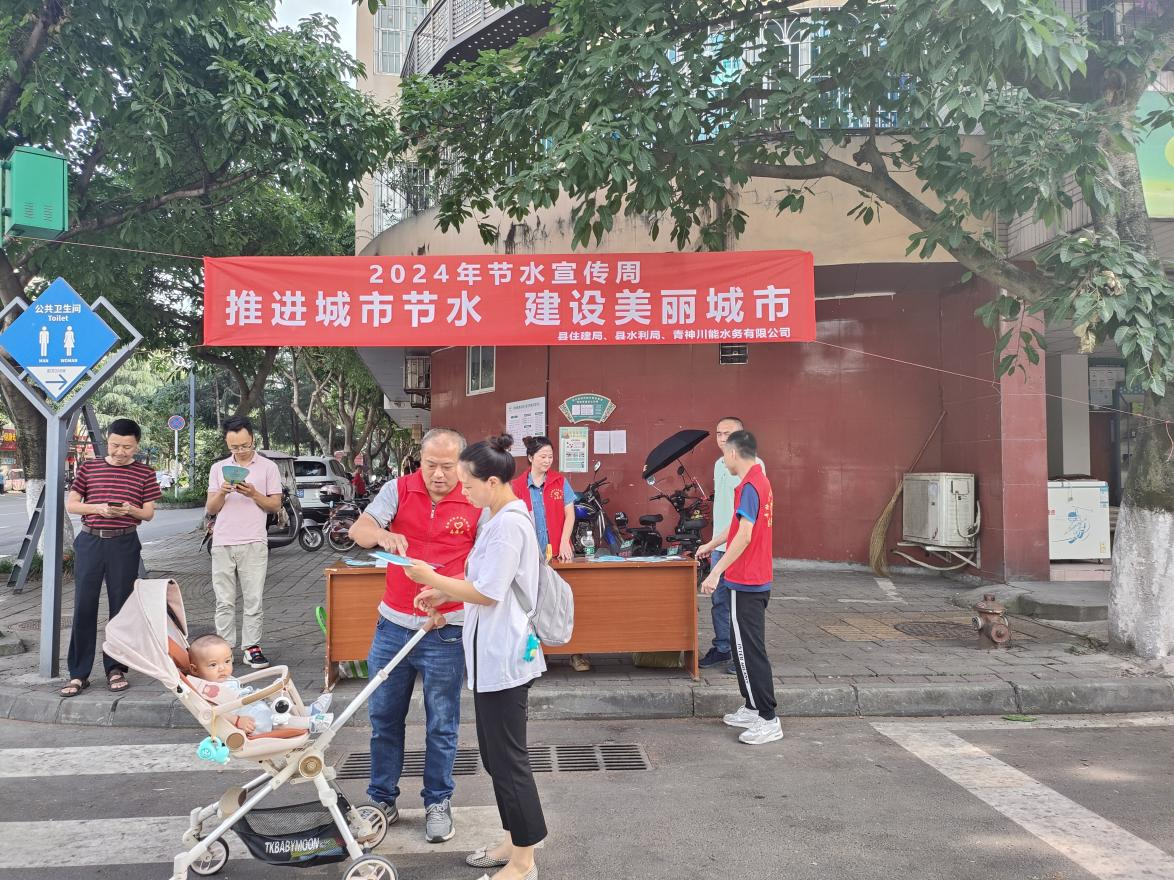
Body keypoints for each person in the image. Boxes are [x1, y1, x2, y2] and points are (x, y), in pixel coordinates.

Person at [409, 433, 546, 880]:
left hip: (505, 658)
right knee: (495, 759)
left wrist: (432, 578)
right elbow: (481, 584)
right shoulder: (497, 517)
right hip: (490, 657)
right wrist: (442, 595)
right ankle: (512, 841)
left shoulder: (509, 525)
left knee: (509, 761)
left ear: (491, 482)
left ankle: (524, 861)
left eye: (467, 484)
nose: (462, 492)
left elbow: (488, 592)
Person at [348, 428, 477, 844]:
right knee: (384, 718)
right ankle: (381, 798)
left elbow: (486, 566)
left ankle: (437, 801)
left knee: (442, 723)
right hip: (393, 626)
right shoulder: (398, 489)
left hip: (447, 629)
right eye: (430, 465)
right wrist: (382, 534)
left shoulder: (475, 498)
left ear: (461, 465)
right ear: (419, 461)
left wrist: (450, 592)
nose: (437, 474)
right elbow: (359, 530)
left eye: (447, 466)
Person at [60, 418, 161, 697]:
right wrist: (99, 508)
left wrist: (129, 509)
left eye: (127, 447)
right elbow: (73, 504)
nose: (120, 452)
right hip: (90, 541)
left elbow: (148, 513)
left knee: (121, 607)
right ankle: (78, 673)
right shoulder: (89, 467)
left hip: (124, 543)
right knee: (84, 605)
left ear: (137, 445)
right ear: (108, 439)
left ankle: (116, 668)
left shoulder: (145, 473)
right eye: (115, 445)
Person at [700, 430, 781, 745]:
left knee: (748, 652)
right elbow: (736, 527)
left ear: (734, 453)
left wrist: (715, 572)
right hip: (751, 578)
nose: (723, 459)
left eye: (724, 453)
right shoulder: (758, 481)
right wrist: (711, 544)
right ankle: (752, 707)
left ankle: (768, 718)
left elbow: (745, 536)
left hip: (747, 580)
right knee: (742, 647)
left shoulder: (750, 486)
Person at [205, 416, 282, 670]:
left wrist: (253, 493)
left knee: (253, 599)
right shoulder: (218, 468)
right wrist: (222, 491)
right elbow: (211, 508)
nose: (240, 451)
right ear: (227, 444)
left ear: (252, 439)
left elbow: (275, 505)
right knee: (224, 600)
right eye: (234, 447)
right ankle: (224, 649)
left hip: (254, 541)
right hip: (223, 542)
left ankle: (251, 647)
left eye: (245, 445)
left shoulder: (268, 467)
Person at [510, 435, 590, 674]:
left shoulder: (559, 481)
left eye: (550, 457)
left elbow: (570, 514)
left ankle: (576, 652)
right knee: (532, 605)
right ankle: (536, 655)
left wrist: (565, 541)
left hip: (558, 553)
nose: (547, 461)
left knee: (563, 602)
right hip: (530, 556)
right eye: (542, 456)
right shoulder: (517, 486)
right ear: (530, 458)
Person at [696, 416, 764, 674]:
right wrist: (712, 543)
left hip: (739, 547)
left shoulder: (754, 467)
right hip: (720, 544)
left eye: (728, 433)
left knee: (740, 606)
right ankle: (722, 647)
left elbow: (744, 520)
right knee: (719, 602)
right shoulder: (719, 464)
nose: (722, 438)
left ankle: (740, 655)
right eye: (718, 434)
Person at [186, 634, 334, 733]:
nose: (222, 668)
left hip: (253, 705)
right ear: (195, 669)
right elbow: (212, 711)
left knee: (277, 700)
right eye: (213, 665)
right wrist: (237, 721)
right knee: (278, 721)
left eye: (227, 661)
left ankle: (309, 711)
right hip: (250, 719)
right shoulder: (204, 690)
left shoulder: (222, 679)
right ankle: (310, 723)